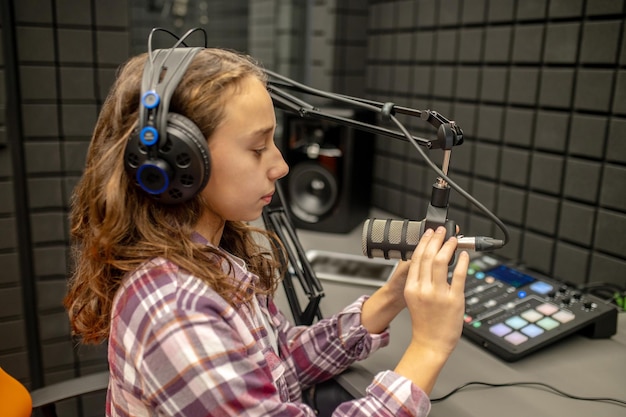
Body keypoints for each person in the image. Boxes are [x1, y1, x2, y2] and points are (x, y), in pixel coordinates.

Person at [64, 44, 469, 417]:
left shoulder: (213, 256)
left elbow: (277, 363)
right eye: (258, 148)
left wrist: (389, 299)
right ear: (183, 162)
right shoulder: (175, 311)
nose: (280, 165)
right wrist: (429, 348)